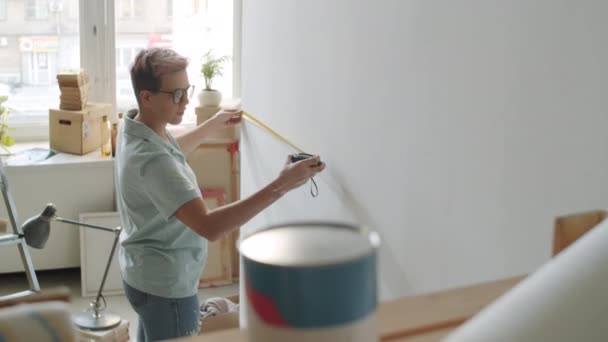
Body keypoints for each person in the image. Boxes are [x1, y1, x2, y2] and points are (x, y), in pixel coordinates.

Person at [115, 47, 325, 341]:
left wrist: (211, 126)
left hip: (142, 275)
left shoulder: (135, 128)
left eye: (187, 90)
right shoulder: (152, 160)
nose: (186, 101)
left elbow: (170, 150)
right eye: (176, 95)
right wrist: (282, 184)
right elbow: (210, 226)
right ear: (147, 97)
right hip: (167, 289)